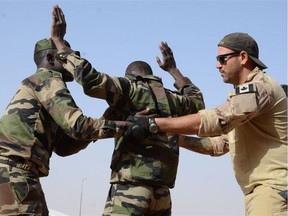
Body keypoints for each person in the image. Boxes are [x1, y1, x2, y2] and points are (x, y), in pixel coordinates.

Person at [50, 5, 205, 215]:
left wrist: (60, 43)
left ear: (131, 76)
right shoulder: (174, 99)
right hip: (162, 193)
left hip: (130, 188)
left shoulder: (129, 88)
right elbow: (197, 102)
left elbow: (91, 80)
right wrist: (173, 70)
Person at [128, 32, 288, 216]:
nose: (217, 65)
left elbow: (215, 120)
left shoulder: (259, 88)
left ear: (243, 57)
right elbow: (217, 145)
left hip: (272, 191)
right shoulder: (244, 102)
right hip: (264, 193)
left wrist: (154, 124)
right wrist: (172, 135)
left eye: (223, 58)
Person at [0, 15, 129, 216]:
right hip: (14, 173)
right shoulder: (47, 79)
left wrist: (106, 120)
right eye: (64, 54)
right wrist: (129, 125)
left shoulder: (38, 87)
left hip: (18, 173)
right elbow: (78, 126)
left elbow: (64, 146)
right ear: (51, 58)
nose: (69, 58)